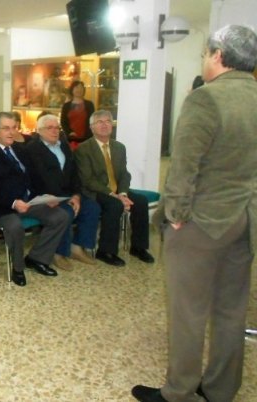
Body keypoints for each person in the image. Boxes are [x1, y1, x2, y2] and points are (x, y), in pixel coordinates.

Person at [132, 25, 257, 402]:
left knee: (188, 310)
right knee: (231, 310)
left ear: (218, 55)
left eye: (205, 53)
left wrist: (175, 215)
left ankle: (179, 391)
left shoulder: (206, 99)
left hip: (203, 222)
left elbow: (184, 167)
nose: (204, 60)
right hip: (246, 219)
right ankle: (221, 388)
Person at [0, 112, 69, 286]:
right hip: (0, 206)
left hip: (28, 202)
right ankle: (18, 268)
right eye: (6, 128)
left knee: (60, 216)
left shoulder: (20, 150)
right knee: (15, 226)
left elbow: (34, 178)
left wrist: (46, 197)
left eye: (14, 128)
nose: (11, 132)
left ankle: (37, 258)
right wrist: (14, 203)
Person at [74, 110, 154, 267]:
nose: (104, 125)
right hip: (96, 191)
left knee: (141, 201)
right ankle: (106, 251)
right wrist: (113, 195)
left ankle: (138, 247)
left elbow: (124, 174)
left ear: (112, 125)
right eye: (99, 122)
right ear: (92, 127)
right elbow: (88, 180)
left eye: (108, 121)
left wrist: (123, 193)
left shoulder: (119, 147)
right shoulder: (84, 149)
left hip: (117, 190)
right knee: (114, 204)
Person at [26, 114, 99, 270]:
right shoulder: (32, 149)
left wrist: (76, 195)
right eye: (49, 128)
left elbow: (73, 173)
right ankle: (58, 253)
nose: (54, 131)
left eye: (57, 127)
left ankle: (77, 247)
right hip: (47, 196)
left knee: (92, 207)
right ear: (39, 131)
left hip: (68, 193)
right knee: (66, 212)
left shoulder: (63, 145)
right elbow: (39, 177)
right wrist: (61, 198)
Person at [60, 81, 95, 150]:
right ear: (72, 90)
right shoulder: (66, 106)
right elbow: (63, 121)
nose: (79, 90)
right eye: (76, 87)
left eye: (81, 88)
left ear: (84, 90)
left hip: (87, 139)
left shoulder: (89, 104)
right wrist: (69, 132)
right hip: (71, 139)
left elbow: (93, 120)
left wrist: (89, 134)